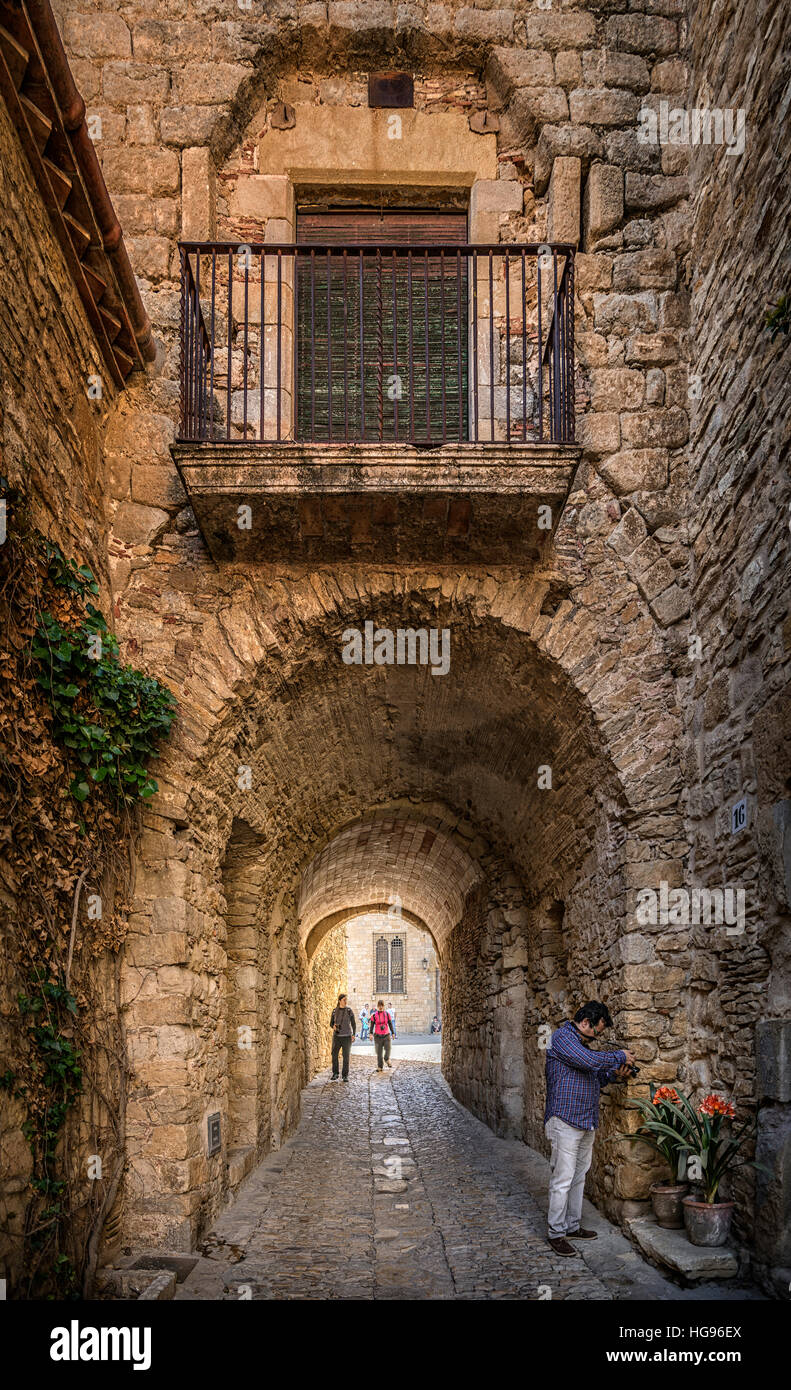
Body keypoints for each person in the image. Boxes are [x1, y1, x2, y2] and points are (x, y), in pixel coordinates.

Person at [544, 1001, 635, 1256]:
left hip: (585, 1120)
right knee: (562, 1178)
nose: (598, 1036)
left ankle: (572, 1225)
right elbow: (587, 1060)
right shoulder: (561, 1038)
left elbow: (596, 1075)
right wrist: (619, 1055)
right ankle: (556, 1233)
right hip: (564, 1119)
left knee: (578, 1176)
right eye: (598, 1030)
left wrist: (616, 1074)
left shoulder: (582, 1046)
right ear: (585, 1023)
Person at [329, 992, 356, 1082]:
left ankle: (345, 1075)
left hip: (347, 1037)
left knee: (346, 1056)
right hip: (337, 1036)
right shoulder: (334, 1011)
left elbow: (353, 1023)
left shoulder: (349, 1011)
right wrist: (334, 1027)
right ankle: (335, 1073)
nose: (346, 1001)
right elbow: (331, 1023)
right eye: (344, 1000)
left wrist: (353, 1034)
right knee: (334, 1055)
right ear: (340, 1001)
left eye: (346, 1000)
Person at [370, 999, 395, 1071]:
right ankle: (380, 1066)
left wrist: (393, 1033)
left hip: (386, 1035)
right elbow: (371, 1026)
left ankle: (387, 1059)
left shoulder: (387, 1014)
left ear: (383, 1006)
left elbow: (390, 1024)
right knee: (379, 1052)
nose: (380, 1007)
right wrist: (371, 1034)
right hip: (377, 1036)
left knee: (388, 1049)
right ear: (377, 1006)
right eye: (379, 1006)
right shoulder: (374, 1016)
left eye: (382, 1005)